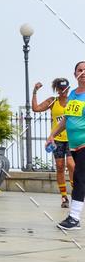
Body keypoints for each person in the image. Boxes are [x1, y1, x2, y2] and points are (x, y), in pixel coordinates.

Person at [46, 60, 85, 231]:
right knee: (80, 177)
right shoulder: (73, 95)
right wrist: (52, 135)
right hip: (74, 145)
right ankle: (74, 217)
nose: (83, 72)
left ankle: (74, 217)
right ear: (75, 74)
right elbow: (67, 118)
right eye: (80, 70)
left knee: (78, 177)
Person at [32, 77, 74, 207]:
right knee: (60, 167)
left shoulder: (73, 101)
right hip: (57, 140)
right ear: (57, 89)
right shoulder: (52, 101)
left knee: (71, 165)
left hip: (72, 138)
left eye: (65, 89)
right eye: (60, 89)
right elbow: (36, 108)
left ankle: (76, 191)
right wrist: (34, 92)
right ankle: (64, 198)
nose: (63, 91)